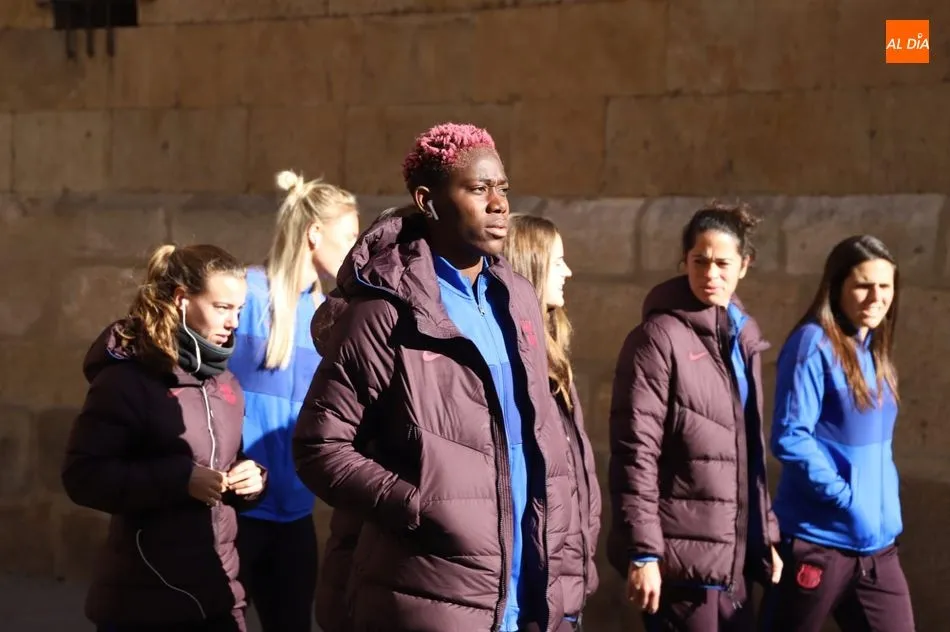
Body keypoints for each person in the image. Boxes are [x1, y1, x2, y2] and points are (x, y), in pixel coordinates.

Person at [292, 122, 574, 632]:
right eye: (478, 189)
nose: (499, 205)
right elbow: (319, 446)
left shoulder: (518, 299)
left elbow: (537, 439)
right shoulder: (384, 314)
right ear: (428, 201)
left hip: (526, 590)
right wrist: (418, 505)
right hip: (430, 597)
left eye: (503, 189)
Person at [61, 244, 266, 632]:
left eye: (239, 309)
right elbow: (82, 476)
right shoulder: (125, 380)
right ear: (182, 299)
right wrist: (179, 480)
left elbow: (228, 460)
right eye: (222, 307)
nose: (234, 322)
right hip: (144, 602)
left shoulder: (225, 381)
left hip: (220, 597)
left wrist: (252, 479)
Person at [607, 203, 783, 632]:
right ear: (683, 262)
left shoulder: (742, 339)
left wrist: (766, 537)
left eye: (723, 263)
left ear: (745, 265)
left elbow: (748, 455)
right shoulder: (658, 338)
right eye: (699, 261)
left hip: (734, 565)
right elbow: (635, 452)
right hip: (680, 567)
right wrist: (644, 553)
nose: (710, 274)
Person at [229, 170, 359, 632]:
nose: (355, 251)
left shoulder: (329, 315)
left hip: (296, 515)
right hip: (236, 510)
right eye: (348, 238)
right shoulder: (242, 294)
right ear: (314, 233)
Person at [766, 235, 914, 632]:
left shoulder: (874, 351)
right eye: (863, 285)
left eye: (885, 286)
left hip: (877, 550)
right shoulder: (812, 344)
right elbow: (790, 436)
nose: (875, 297)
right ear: (837, 287)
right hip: (820, 543)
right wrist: (846, 499)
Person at [503, 213, 602, 629]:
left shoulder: (553, 352)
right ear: (532, 265)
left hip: (567, 585)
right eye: (557, 261)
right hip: (534, 589)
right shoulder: (515, 359)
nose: (568, 271)